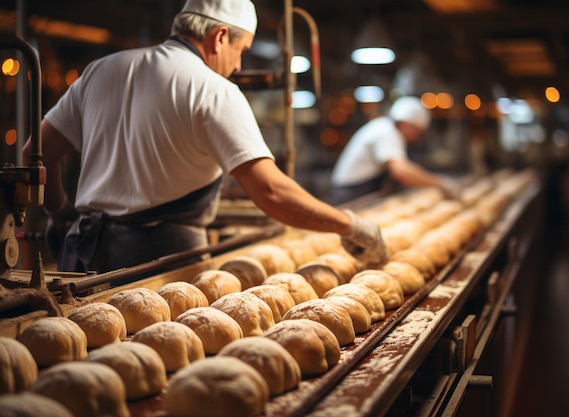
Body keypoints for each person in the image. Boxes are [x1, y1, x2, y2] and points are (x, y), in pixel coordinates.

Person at [22, 0, 388, 273]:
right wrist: (351, 225)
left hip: (82, 257)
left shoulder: (101, 70)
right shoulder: (214, 90)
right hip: (162, 267)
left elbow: (34, 156)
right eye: (241, 51)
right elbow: (271, 192)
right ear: (220, 37)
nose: (239, 66)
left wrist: (60, 212)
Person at [329, 96, 459, 205]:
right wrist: (439, 182)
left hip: (359, 191)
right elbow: (401, 171)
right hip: (351, 195)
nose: (417, 138)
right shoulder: (386, 132)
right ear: (409, 124)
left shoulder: (384, 127)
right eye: (418, 132)